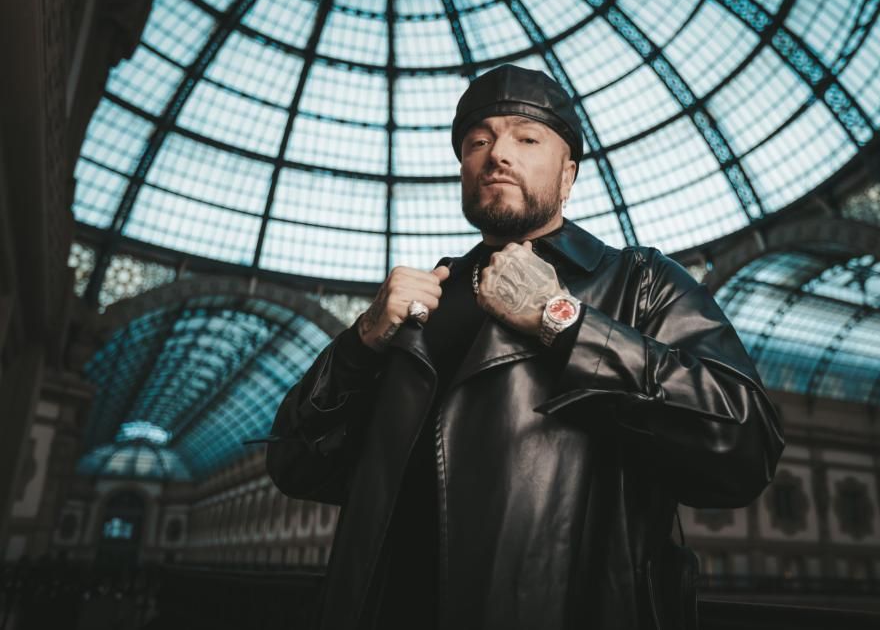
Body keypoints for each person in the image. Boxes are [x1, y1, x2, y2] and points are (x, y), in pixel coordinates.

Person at [266, 64, 784, 630]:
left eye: (527, 138)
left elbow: (744, 445)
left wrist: (563, 320)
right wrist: (360, 343)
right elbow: (294, 465)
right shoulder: (417, 304)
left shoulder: (639, 283)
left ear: (567, 175)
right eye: (478, 142)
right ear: (463, 170)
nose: (497, 154)